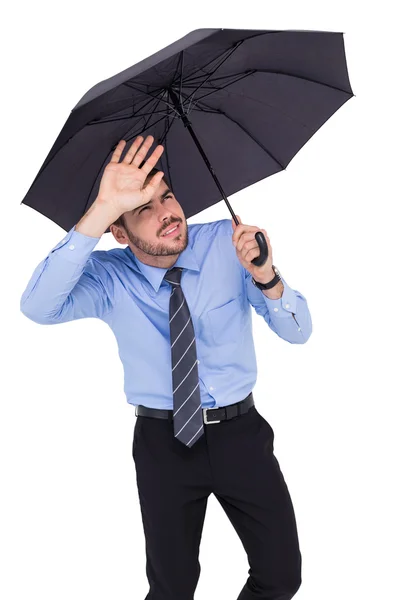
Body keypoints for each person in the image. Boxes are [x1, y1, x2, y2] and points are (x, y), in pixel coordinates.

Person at [20, 135, 312, 600]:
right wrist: (103, 206)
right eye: (142, 209)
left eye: (167, 196)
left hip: (241, 434)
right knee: (171, 589)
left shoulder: (226, 243)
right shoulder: (108, 276)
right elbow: (37, 306)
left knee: (281, 574)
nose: (167, 214)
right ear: (119, 232)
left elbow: (299, 332)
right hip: (164, 446)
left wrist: (266, 277)